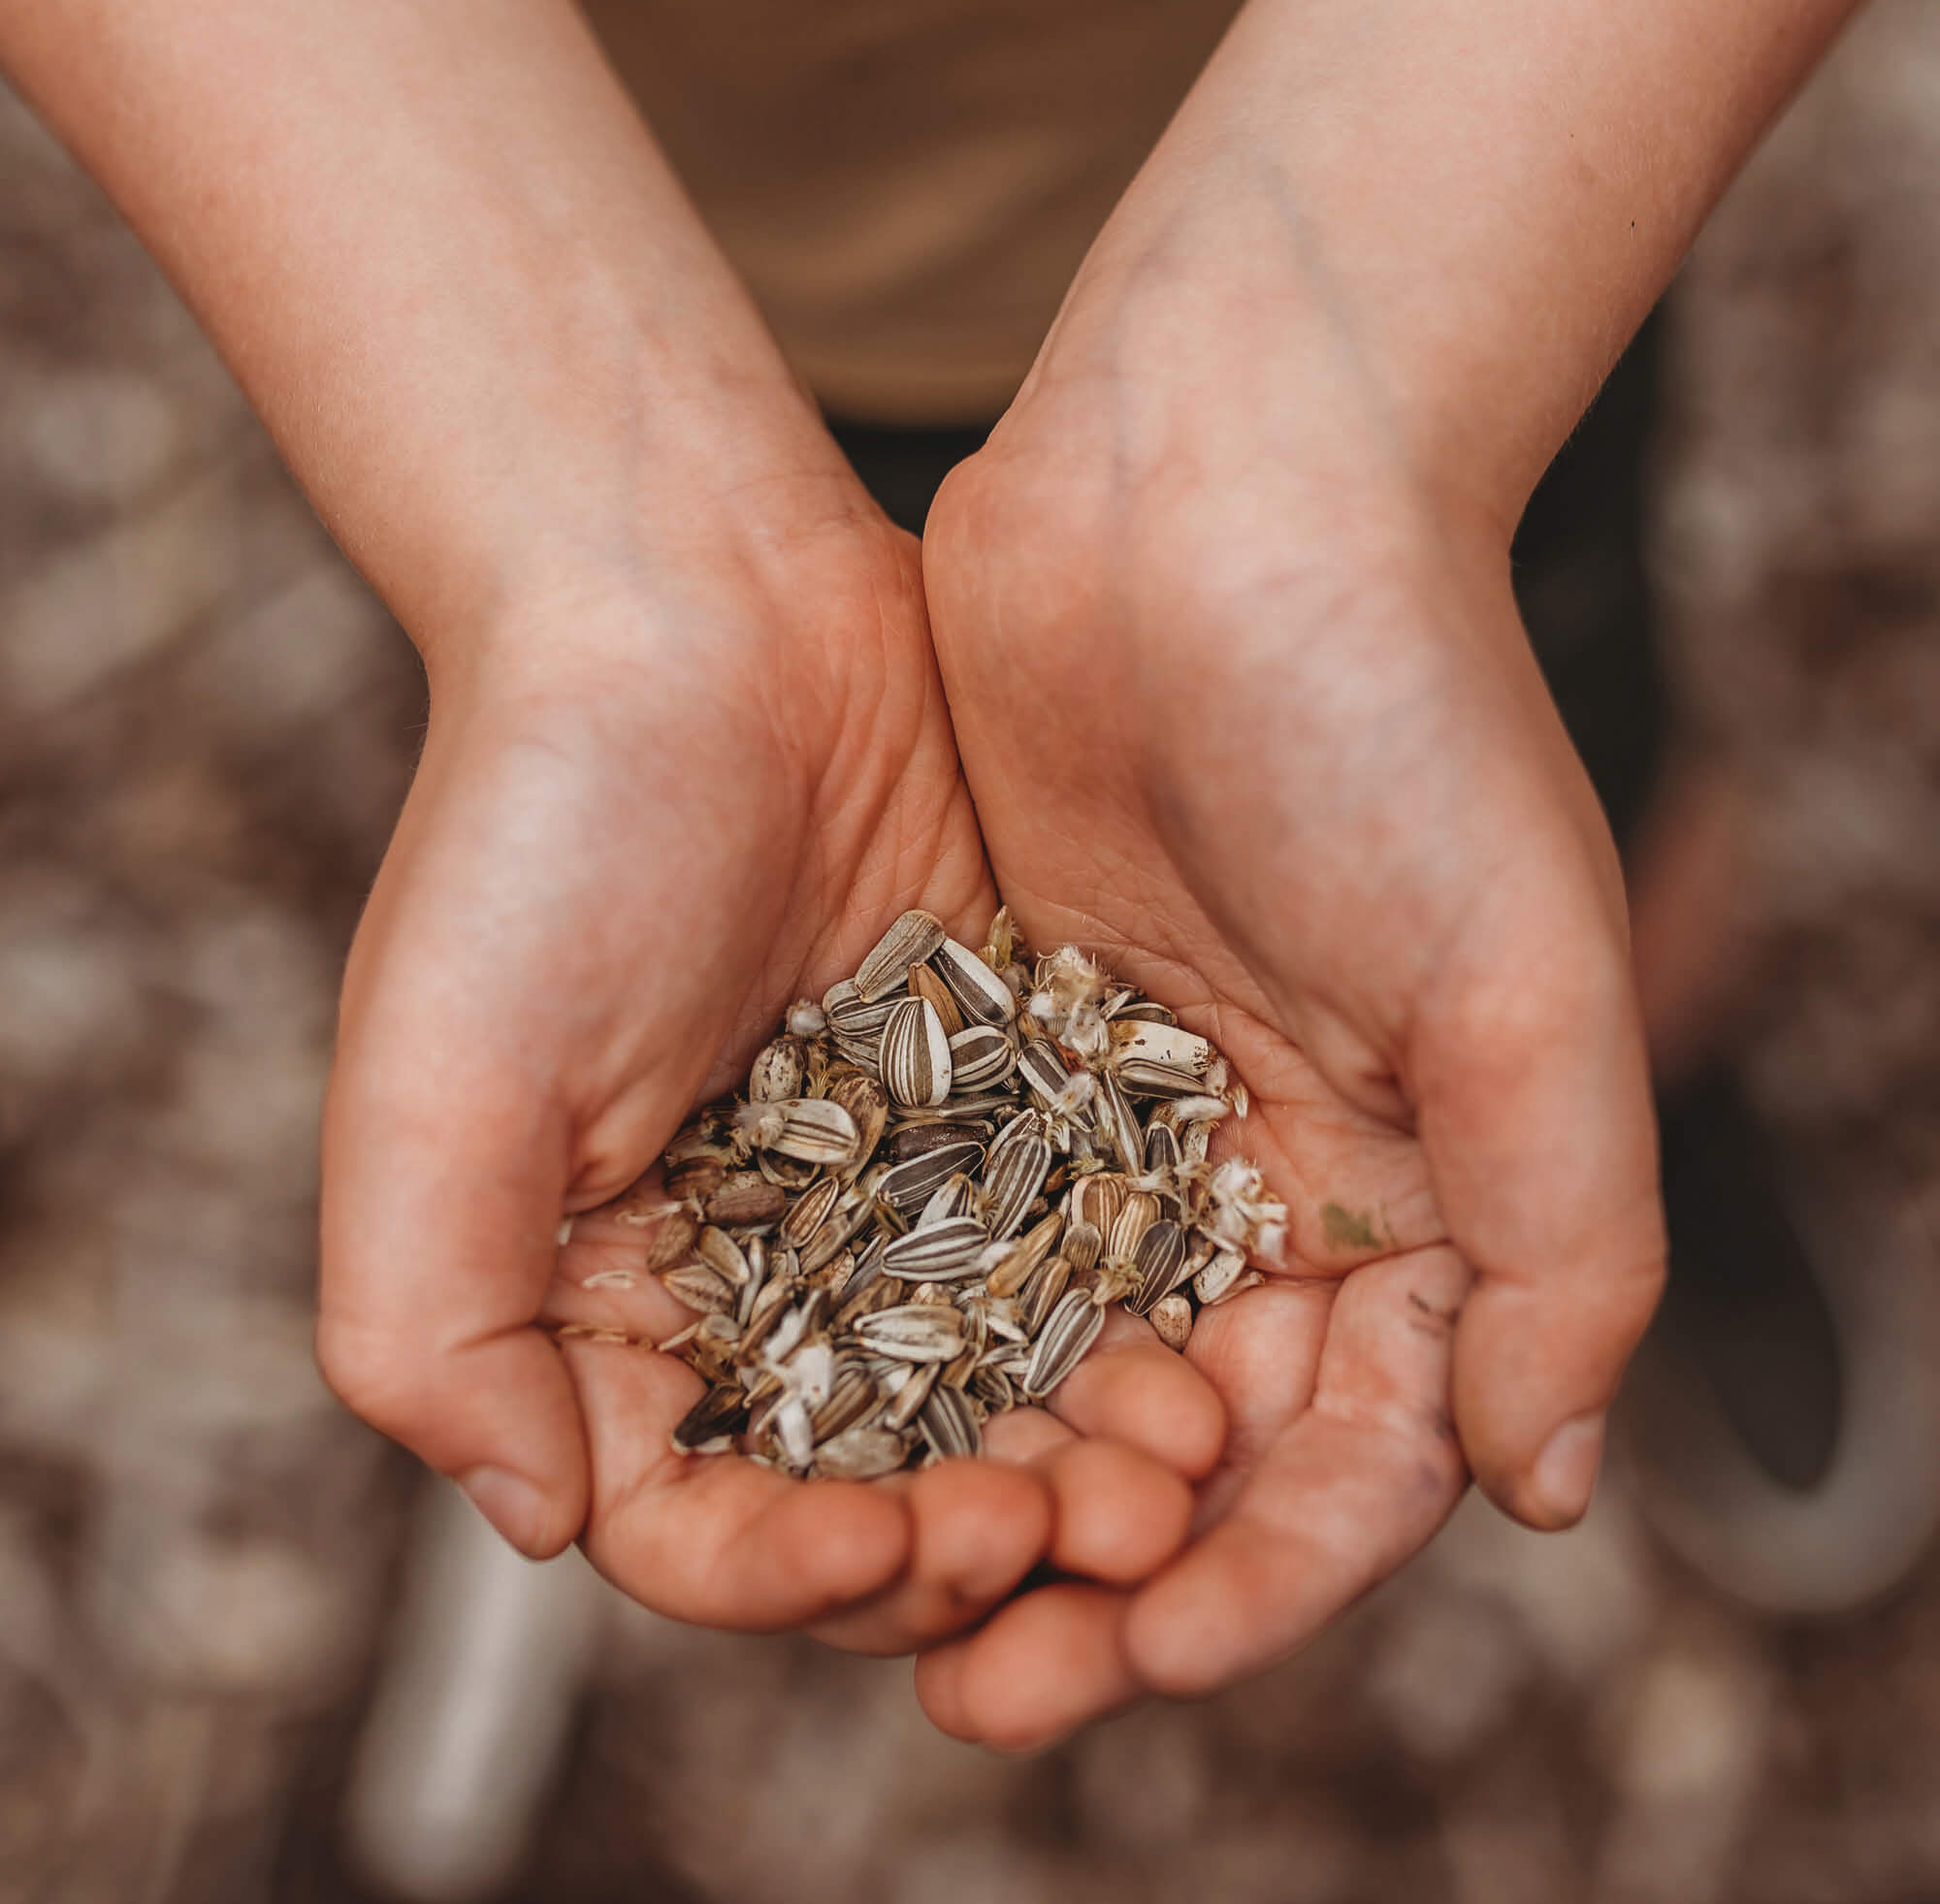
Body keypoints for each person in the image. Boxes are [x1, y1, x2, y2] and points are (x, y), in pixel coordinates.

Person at [0, 0, 1860, 1754]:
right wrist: (566, 551)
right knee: (1456, 892)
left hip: (1468, 190)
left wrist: (1346, 381)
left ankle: (1658, 1099)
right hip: (489, 272)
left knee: (1558, 841)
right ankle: (1589, 1095)